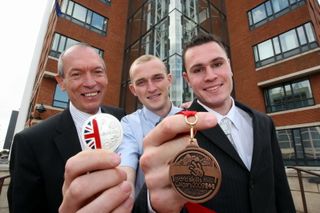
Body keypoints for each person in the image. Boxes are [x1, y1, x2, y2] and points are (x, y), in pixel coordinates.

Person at [134, 34, 295, 213]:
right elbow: (146, 204)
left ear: (229, 66)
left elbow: (281, 190)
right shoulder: (174, 130)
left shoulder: (263, 123)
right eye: (198, 70)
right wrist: (154, 205)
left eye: (217, 64)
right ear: (187, 80)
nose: (210, 76)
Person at [7, 43, 132, 212]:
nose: (90, 82)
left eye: (97, 72)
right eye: (76, 74)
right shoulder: (29, 142)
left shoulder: (122, 118)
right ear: (61, 82)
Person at [116, 55, 181, 197]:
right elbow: (126, 167)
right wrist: (124, 199)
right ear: (133, 90)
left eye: (157, 78)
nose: (151, 88)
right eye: (141, 82)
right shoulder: (127, 124)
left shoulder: (189, 118)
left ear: (169, 80)